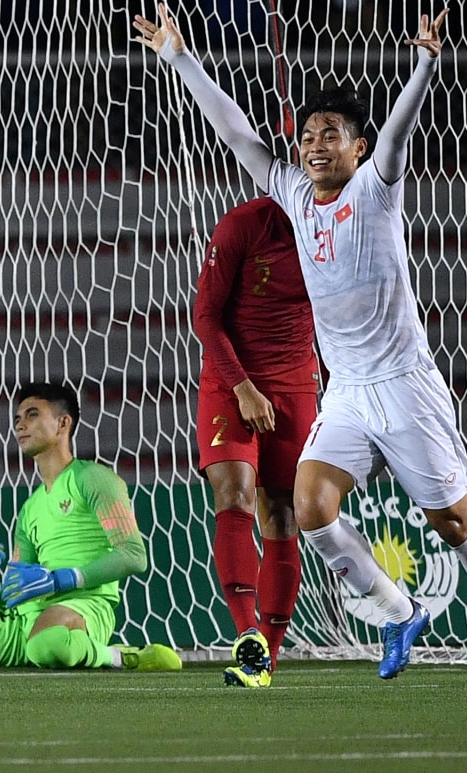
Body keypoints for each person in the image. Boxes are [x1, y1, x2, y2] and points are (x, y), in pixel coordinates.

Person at [132, 4, 467, 697]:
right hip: (347, 388)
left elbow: (400, 133)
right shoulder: (293, 193)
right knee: (311, 506)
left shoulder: (377, 191)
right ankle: (399, 611)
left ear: (357, 148)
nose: (317, 144)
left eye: (334, 135)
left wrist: (425, 65)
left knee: (453, 523)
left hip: (406, 385)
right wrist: (179, 57)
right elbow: (236, 133)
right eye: (311, 135)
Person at [0, 382, 182, 673]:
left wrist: (63, 579)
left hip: (83, 606)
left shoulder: (93, 479)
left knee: (48, 645)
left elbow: (133, 555)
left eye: (32, 415)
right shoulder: (31, 508)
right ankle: (37, 647)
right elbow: (13, 594)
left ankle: (123, 657)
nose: (20, 425)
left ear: (63, 423)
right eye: (17, 419)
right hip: (24, 619)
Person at [194, 197, 319, 688]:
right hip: (231, 384)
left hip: (296, 385)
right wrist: (243, 387)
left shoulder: (344, 225)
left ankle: (266, 657)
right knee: (234, 496)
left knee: (284, 513)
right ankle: (246, 630)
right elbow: (205, 315)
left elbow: (340, 321)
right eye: (306, 140)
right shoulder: (244, 225)